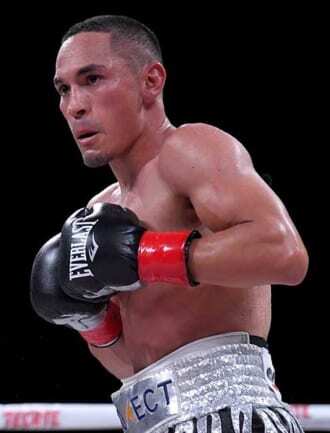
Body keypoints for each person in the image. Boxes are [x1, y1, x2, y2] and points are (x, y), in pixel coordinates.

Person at [30, 15, 309, 433]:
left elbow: (284, 254)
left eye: (92, 79)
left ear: (151, 81)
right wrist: (91, 323)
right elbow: (136, 365)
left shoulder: (189, 150)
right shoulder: (100, 210)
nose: (75, 106)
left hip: (232, 415)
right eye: (64, 89)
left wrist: (146, 256)